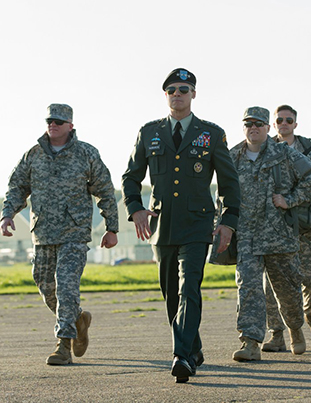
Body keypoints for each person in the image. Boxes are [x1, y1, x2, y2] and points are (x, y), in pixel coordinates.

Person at [121, 68, 241, 383]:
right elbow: (131, 177)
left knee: (190, 286)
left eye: (184, 89)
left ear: (193, 95)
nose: (178, 94)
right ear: (166, 95)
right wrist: (135, 209)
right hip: (162, 226)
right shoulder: (149, 132)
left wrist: (227, 222)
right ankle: (195, 346)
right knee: (171, 295)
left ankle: (182, 357)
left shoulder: (211, 133)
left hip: (198, 224)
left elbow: (229, 183)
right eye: (172, 89)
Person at [0, 103, 119, 365]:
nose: (52, 124)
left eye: (58, 121)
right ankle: (77, 319)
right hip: (42, 233)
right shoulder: (33, 154)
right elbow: (17, 186)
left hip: (74, 233)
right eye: (49, 120)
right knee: (45, 285)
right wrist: (7, 214)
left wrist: (112, 227)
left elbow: (105, 191)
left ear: (70, 126)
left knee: (66, 286)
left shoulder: (86, 153)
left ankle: (63, 344)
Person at [229, 106, 311, 361]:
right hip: (247, 235)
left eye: (259, 124)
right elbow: (223, 194)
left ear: (268, 128)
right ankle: (250, 342)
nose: (254, 128)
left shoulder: (284, 153)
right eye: (249, 124)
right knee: (247, 287)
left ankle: (295, 327)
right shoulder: (233, 156)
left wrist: (290, 200)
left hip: (280, 236)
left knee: (288, 293)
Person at [262, 105, 311, 352]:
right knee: (272, 287)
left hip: (305, 226)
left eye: (288, 120)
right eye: (279, 120)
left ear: (295, 124)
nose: (284, 123)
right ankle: (277, 334)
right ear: (273, 125)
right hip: (274, 228)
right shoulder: (265, 150)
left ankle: (310, 313)